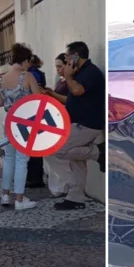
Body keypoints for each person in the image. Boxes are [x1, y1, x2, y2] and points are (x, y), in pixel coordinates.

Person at [51, 41, 105, 211]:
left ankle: (99, 153)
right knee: (76, 161)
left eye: (67, 58)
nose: (66, 63)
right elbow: (72, 98)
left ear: (76, 56)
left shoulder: (90, 72)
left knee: (58, 148)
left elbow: (77, 91)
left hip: (87, 124)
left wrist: (68, 76)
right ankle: (75, 199)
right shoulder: (79, 72)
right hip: (78, 123)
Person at [0, 43, 42, 210]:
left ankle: (5, 195)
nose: (29, 64)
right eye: (28, 61)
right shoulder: (27, 76)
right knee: (22, 159)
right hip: (24, 119)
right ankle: (20, 199)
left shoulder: (1, 78)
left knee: (9, 158)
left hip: (8, 118)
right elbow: (39, 98)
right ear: (24, 60)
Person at [41, 53, 73, 197]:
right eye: (56, 67)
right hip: (56, 120)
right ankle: (59, 186)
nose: (58, 69)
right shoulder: (61, 81)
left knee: (55, 153)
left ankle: (65, 183)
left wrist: (52, 94)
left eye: (60, 66)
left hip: (66, 120)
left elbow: (68, 100)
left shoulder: (71, 82)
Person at [25, 55, 47, 190]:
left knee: (32, 148)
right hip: (38, 112)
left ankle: (34, 178)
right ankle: (36, 177)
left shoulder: (30, 75)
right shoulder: (39, 74)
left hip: (32, 112)